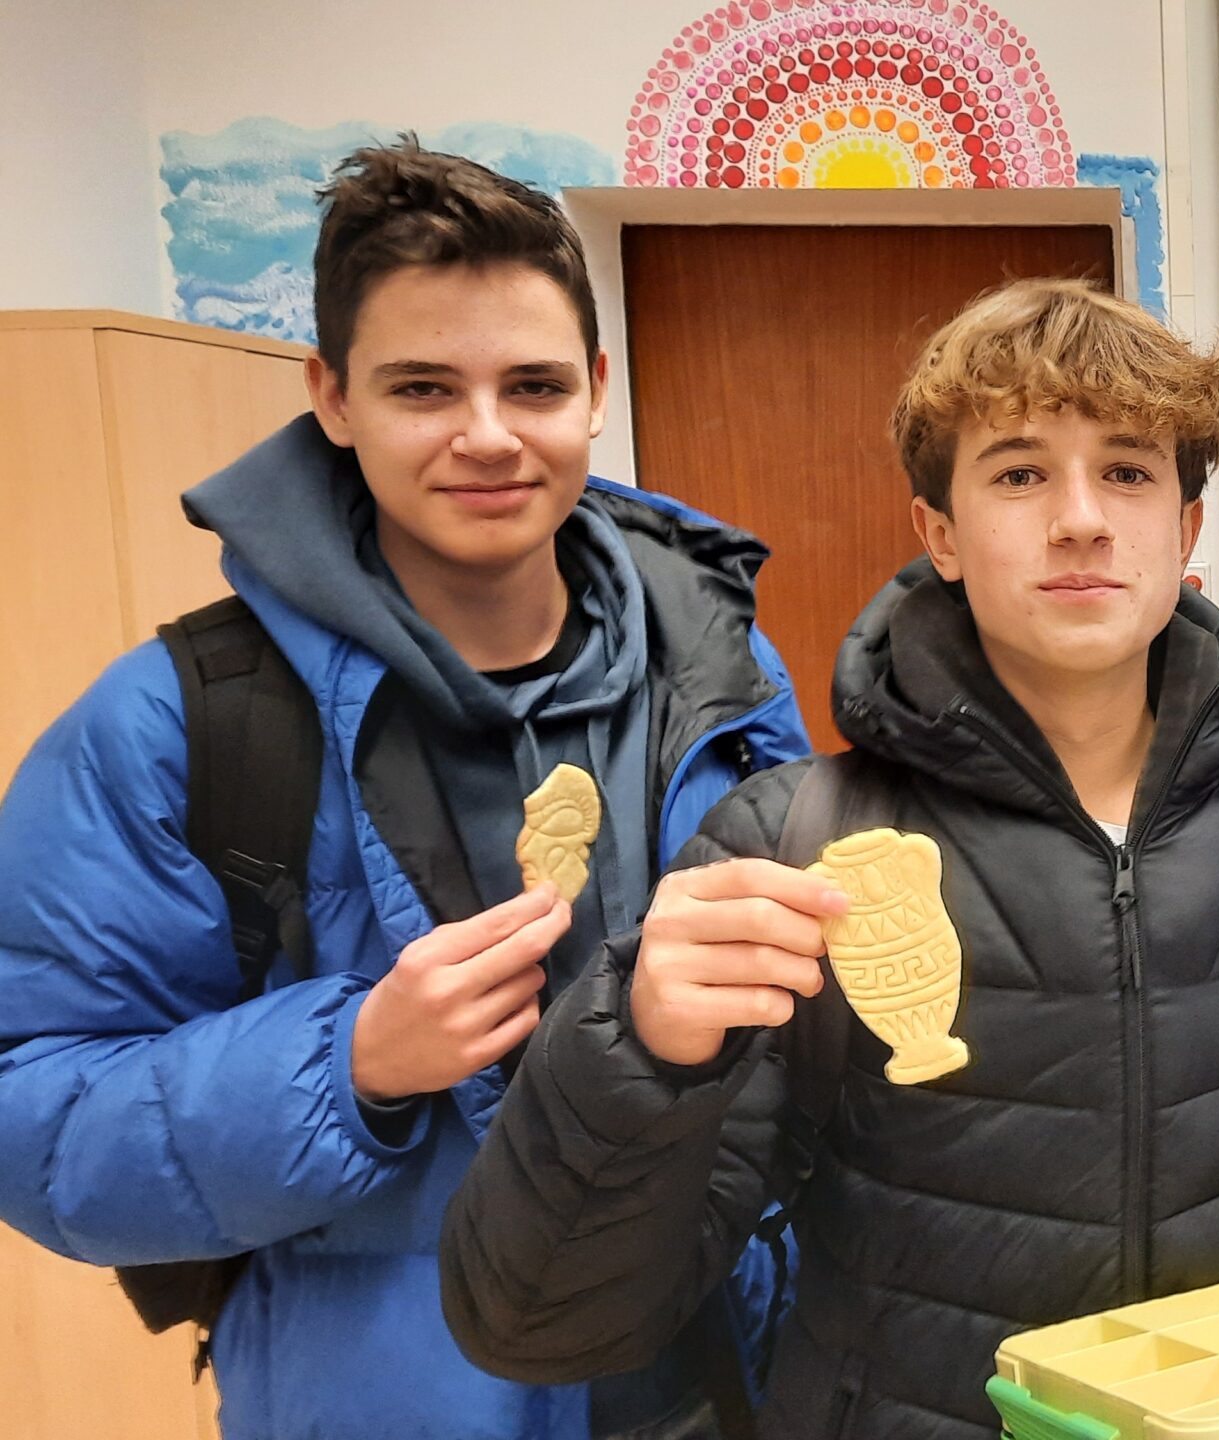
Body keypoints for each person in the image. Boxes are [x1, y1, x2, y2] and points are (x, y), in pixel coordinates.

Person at [439, 279, 1219, 1440]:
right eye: (1019, 474)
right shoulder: (795, 851)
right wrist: (636, 1050)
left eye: (1127, 471)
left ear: (1184, 531)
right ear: (941, 535)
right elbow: (545, 1327)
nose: (1080, 519)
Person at [0, 139, 810, 1439]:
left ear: (597, 392)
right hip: (396, 1399)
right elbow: (31, 1114)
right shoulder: (179, 723)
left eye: (533, 385)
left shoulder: (723, 671)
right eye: (423, 387)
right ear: (331, 395)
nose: (487, 436)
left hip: (723, 1375)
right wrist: (351, 1062)